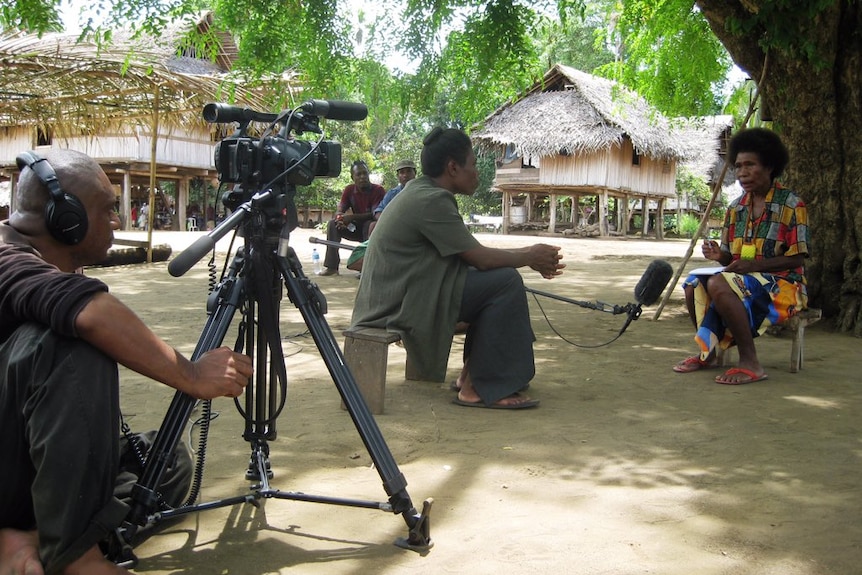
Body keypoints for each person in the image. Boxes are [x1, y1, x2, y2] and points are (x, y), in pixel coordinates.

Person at [0, 149, 253, 575]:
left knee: (165, 466)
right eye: (108, 210)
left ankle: (32, 540)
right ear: (67, 219)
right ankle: (75, 557)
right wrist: (191, 374)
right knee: (71, 343)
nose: (117, 222)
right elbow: (92, 313)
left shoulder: (51, 263)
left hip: (25, 464)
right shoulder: (5, 257)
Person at [350, 128, 565, 409]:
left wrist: (528, 257)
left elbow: (470, 256)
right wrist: (530, 255)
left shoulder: (421, 191)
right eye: (473, 165)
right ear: (453, 167)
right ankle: (476, 388)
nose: (477, 172)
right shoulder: (431, 200)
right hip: (395, 307)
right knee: (505, 282)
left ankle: (471, 375)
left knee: (494, 280)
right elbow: (481, 258)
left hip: (400, 295)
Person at [673, 127, 809, 384]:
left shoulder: (792, 205)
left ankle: (751, 362)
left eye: (750, 165)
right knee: (693, 284)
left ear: (769, 166)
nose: (742, 172)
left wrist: (753, 265)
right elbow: (732, 260)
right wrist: (720, 256)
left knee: (718, 283)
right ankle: (708, 353)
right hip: (746, 280)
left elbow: (797, 259)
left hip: (786, 285)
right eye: (738, 166)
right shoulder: (736, 208)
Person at [348, 159, 418, 271]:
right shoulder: (393, 193)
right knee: (373, 226)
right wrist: (387, 221)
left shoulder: (423, 192)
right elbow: (378, 211)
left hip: (416, 229)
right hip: (394, 229)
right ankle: (371, 261)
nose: (405, 175)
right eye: (401, 172)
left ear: (415, 173)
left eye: (408, 171)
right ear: (398, 176)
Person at [318, 160, 385, 276]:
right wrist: (340, 219)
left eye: (365, 173)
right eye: (359, 174)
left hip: (371, 229)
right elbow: (340, 209)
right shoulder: (349, 190)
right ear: (352, 177)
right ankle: (332, 267)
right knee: (332, 224)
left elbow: (375, 214)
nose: (363, 177)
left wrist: (350, 217)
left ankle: (364, 267)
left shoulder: (378, 190)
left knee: (369, 224)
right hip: (355, 227)